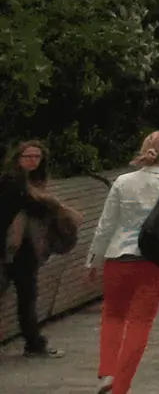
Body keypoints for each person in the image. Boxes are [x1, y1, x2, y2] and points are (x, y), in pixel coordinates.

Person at [87, 131, 159, 394]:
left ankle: (108, 372)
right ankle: (121, 387)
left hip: (118, 259)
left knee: (112, 315)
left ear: (143, 148)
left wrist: (93, 260)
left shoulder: (123, 182)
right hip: (156, 262)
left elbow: (106, 224)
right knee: (140, 323)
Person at [4, 139, 76, 359]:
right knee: (26, 296)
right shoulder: (11, 181)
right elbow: (33, 207)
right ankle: (34, 343)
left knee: (27, 296)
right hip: (10, 247)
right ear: (18, 158)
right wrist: (54, 206)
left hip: (25, 249)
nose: (32, 161)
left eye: (37, 157)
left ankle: (34, 343)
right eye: (28, 156)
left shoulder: (36, 183)